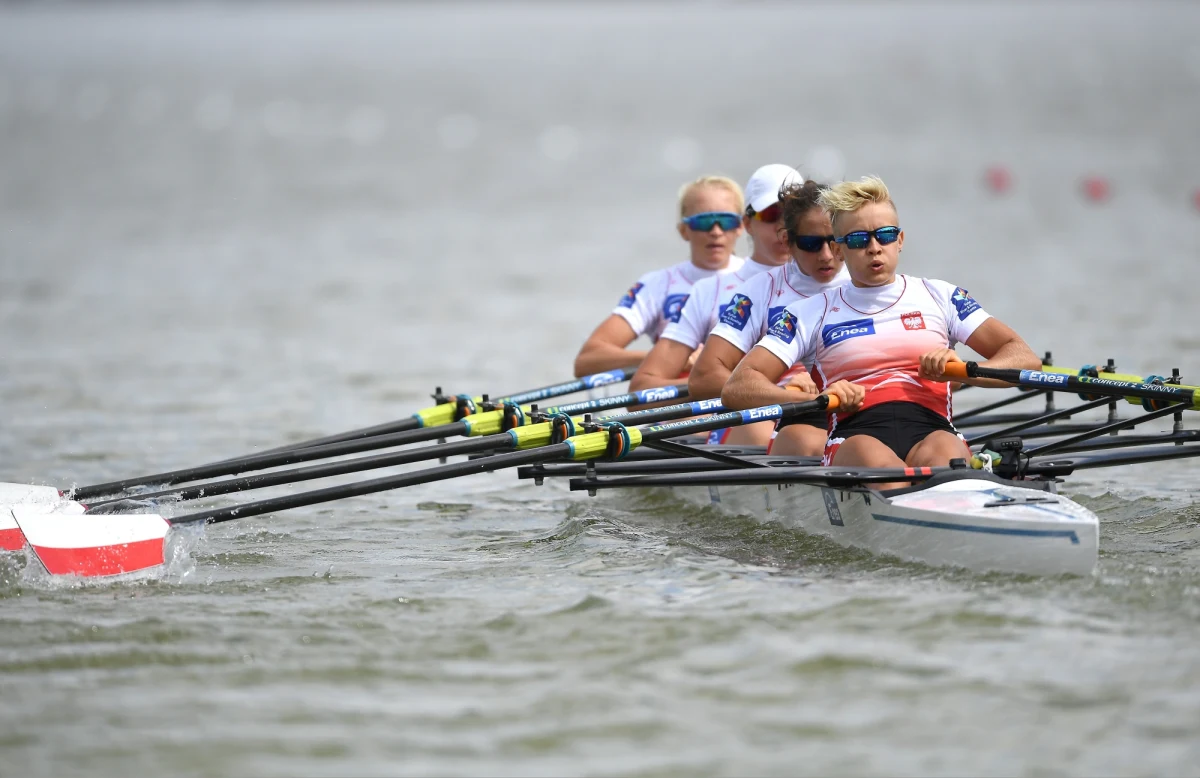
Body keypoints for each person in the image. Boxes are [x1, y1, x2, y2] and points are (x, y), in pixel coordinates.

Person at [721, 175, 1039, 482]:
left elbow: (1024, 358)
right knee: (881, 468)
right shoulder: (807, 313)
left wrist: (965, 371)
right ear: (840, 249)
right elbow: (737, 388)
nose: (874, 247)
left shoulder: (941, 296)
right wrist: (815, 399)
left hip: (934, 429)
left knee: (948, 459)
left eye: (884, 235)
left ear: (899, 240)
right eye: (859, 239)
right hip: (855, 435)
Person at [689, 178, 849, 450]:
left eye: (835, 243)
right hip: (783, 415)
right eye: (811, 243)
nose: (826, 255)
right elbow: (703, 379)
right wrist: (781, 390)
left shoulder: (869, 283)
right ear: (788, 241)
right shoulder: (758, 290)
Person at [628, 164, 801, 401]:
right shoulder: (711, 290)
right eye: (771, 215)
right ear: (747, 223)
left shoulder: (842, 284)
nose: (784, 227)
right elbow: (642, 389)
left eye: (792, 216)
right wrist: (772, 390)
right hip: (745, 422)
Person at [573, 176, 745, 378]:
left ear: (741, 227)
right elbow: (587, 360)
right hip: (682, 399)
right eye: (703, 222)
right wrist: (666, 358)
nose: (716, 232)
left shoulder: (763, 279)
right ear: (684, 231)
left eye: (726, 221)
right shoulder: (658, 286)